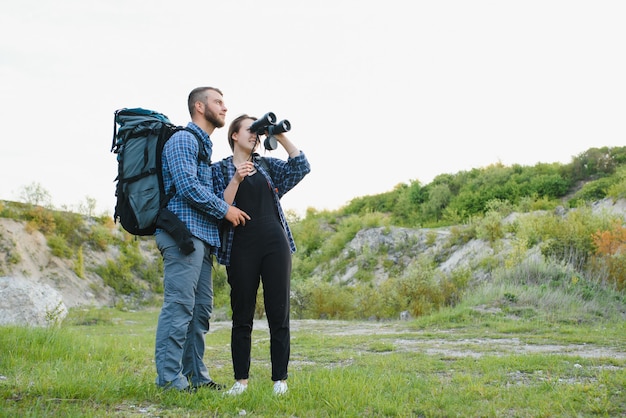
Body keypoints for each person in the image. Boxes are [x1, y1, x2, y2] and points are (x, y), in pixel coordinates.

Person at [154, 87, 250, 392]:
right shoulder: (183, 139)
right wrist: (226, 210)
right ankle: (170, 380)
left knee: (199, 312)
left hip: (202, 240)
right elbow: (186, 187)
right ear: (199, 106)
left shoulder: (203, 147)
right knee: (179, 306)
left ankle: (196, 377)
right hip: (182, 235)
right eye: (218, 102)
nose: (224, 108)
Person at [212, 114, 311, 396]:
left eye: (258, 131)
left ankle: (280, 380)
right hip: (240, 246)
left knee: (278, 312)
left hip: (274, 243)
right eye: (250, 129)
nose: (255, 135)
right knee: (241, 315)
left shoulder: (266, 165)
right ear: (234, 135)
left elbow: (301, 166)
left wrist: (277, 134)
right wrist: (236, 178)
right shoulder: (219, 169)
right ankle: (240, 381)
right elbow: (217, 207)